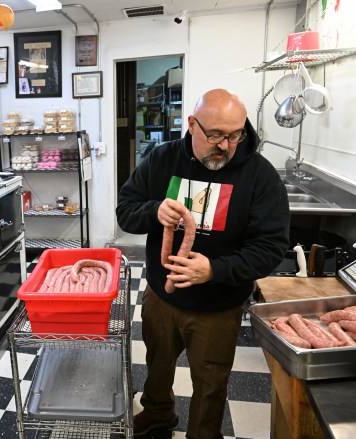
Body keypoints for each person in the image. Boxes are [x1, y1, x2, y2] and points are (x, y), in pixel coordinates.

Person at [116, 88, 290, 439]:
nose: (226, 145)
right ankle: (159, 414)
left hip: (217, 306)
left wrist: (215, 270)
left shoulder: (259, 175)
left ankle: (202, 434)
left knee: (211, 383)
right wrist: (154, 210)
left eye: (235, 135)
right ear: (192, 125)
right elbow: (125, 212)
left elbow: (271, 247)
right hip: (161, 298)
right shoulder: (162, 159)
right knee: (158, 367)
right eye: (215, 135)